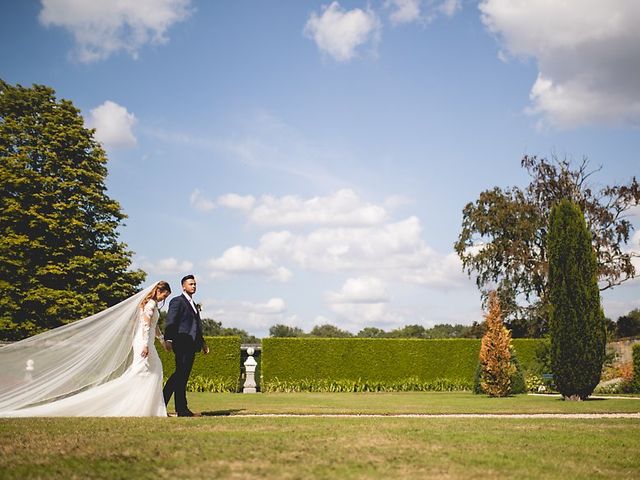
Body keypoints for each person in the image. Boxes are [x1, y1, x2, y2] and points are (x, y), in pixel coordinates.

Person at [0, 281, 172, 417]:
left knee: (152, 371)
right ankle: (135, 407)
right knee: (143, 372)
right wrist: (144, 345)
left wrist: (162, 339)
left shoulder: (153, 305)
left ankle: (146, 408)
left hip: (146, 341)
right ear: (159, 291)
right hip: (143, 342)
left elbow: (154, 326)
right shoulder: (149, 304)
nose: (164, 298)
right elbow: (146, 326)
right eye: (165, 294)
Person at [163, 274, 208, 416]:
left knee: (182, 376)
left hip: (192, 345)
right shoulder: (177, 301)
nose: (193, 286)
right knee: (179, 375)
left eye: (195, 284)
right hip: (181, 343)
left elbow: (196, 326)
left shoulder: (194, 305)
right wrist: (168, 339)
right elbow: (171, 321)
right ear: (183, 286)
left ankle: (181, 410)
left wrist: (203, 343)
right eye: (190, 284)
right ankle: (165, 404)